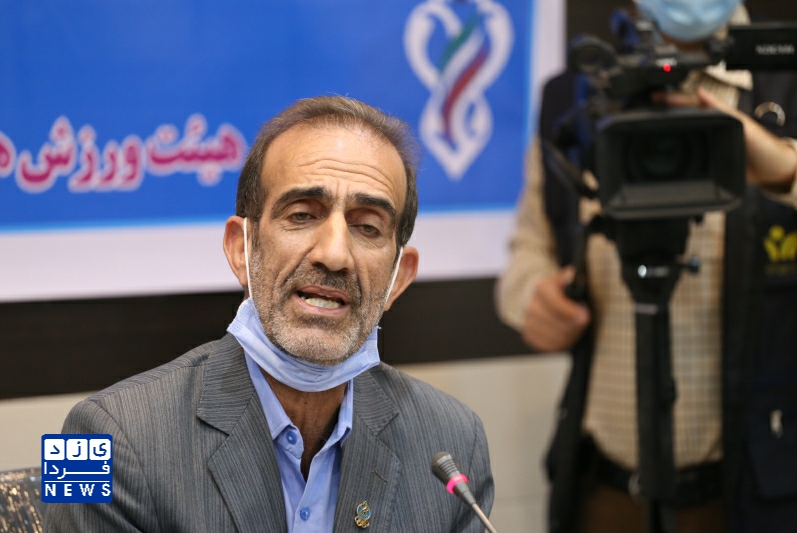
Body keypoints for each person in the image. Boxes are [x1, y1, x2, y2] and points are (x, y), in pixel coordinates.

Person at [45, 96, 494, 532]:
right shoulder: (90, 440)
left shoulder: (456, 442)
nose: (334, 254)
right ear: (241, 249)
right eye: (301, 215)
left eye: (367, 226)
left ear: (398, 277)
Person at [496, 1, 797, 532]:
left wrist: (786, 170)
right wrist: (533, 297)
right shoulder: (575, 93)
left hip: (755, 492)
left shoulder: (788, 81)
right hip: (605, 492)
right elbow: (530, 246)